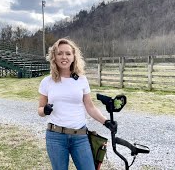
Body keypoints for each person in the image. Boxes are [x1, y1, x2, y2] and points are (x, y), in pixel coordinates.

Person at [38, 38, 117, 170]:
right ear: (54, 57)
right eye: (60, 53)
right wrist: (45, 110)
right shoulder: (47, 81)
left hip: (80, 137)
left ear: (74, 56)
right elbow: (40, 110)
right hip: (55, 137)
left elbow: (90, 107)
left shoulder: (81, 80)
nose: (64, 57)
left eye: (68, 53)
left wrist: (106, 122)